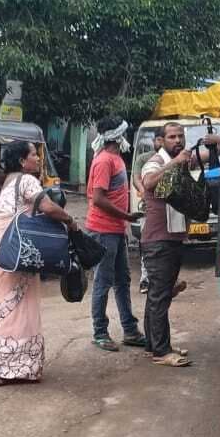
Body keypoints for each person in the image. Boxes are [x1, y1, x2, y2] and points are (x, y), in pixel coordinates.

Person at [0, 141, 80, 386]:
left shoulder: (9, 180)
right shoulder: (27, 180)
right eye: (33, 155)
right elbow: (48, 207)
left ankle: (18, 367)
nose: (38, 159)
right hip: (10, 247)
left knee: (14, 304)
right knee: (7, 307)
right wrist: (71, 221)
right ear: (22, 161)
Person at [139, 122, 217, 367]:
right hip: (158, 240)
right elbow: (149, 182)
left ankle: (154, 345)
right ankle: (162, 352)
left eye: (181, 136)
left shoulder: (181, 160)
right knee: (160, 296)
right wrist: (174, 162)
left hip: (171, 238)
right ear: (161, 141)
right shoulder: (155, 161)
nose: (178, 140)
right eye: (172, 137)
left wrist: (216, 144)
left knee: (157, 295)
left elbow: (202, 155)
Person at [86, 118, 147, 352]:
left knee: (122, 281)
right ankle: (100, 332)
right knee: (104, 282)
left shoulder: (116, 159)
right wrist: (126, 215)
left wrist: (124, 218)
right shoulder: (104, 161)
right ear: (116, 137)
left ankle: (129, 330)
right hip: (103, 231)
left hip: (115, 229)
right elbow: (99, 199)